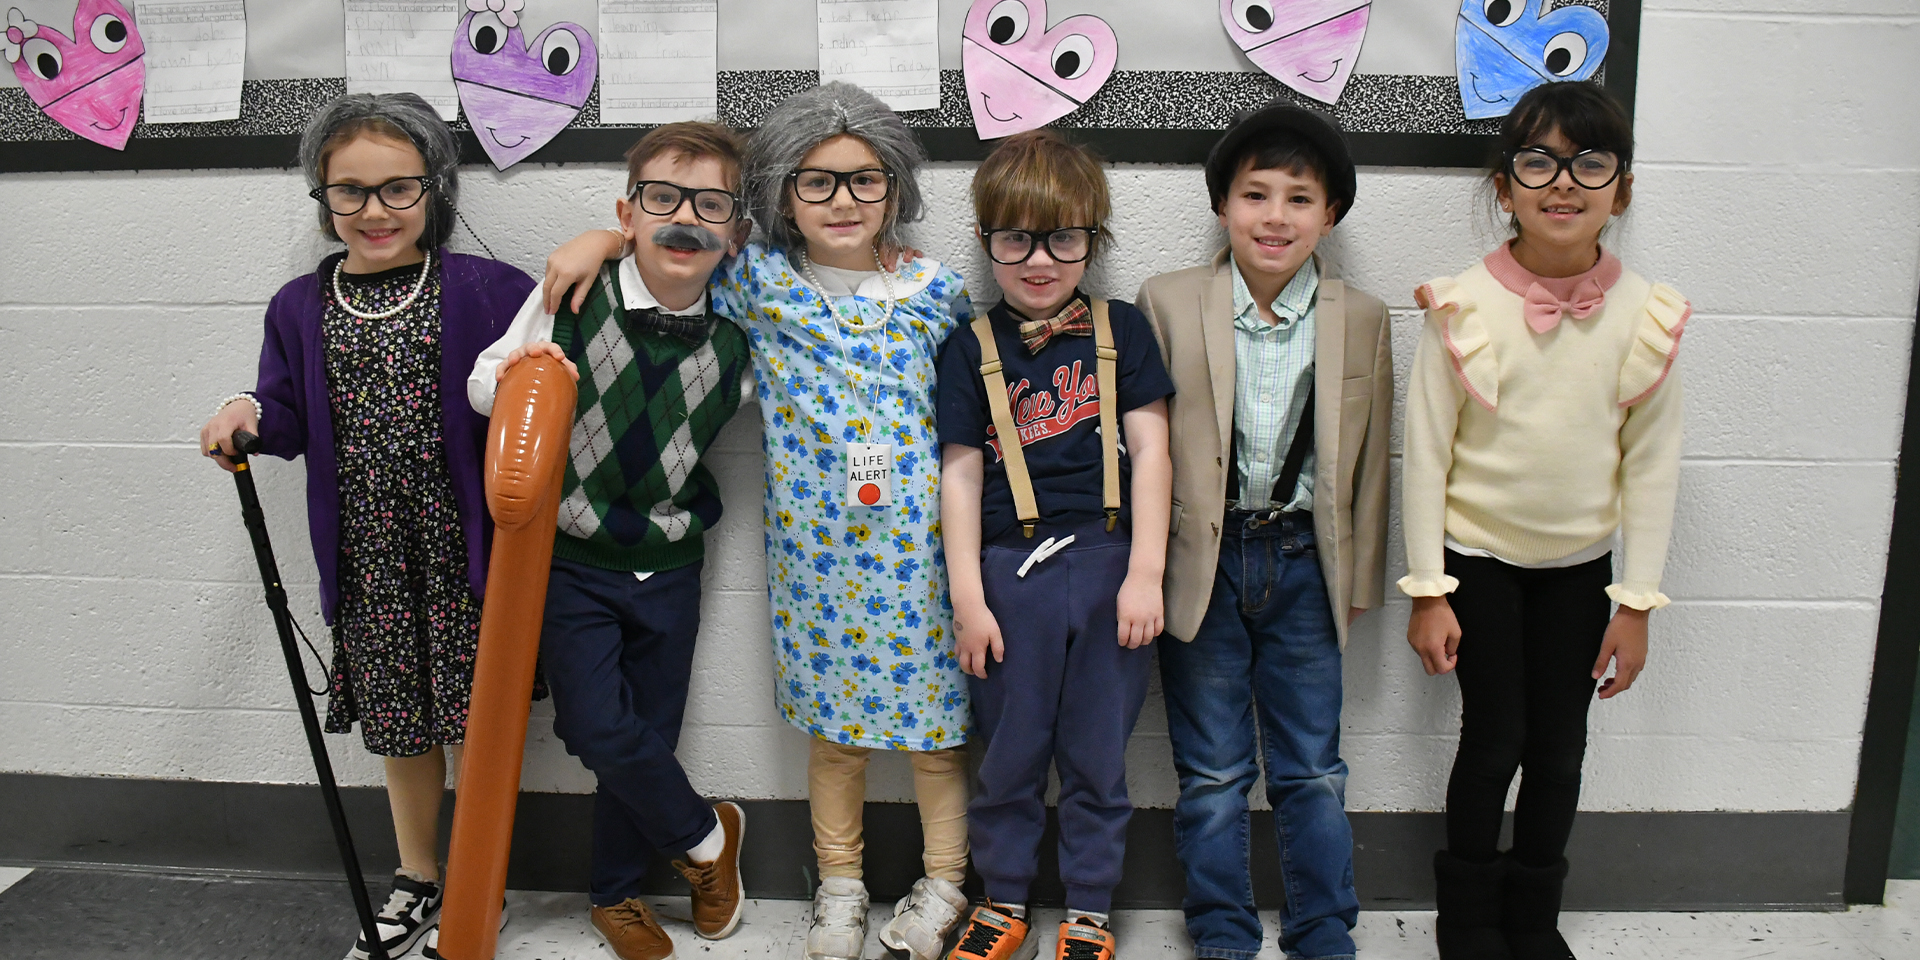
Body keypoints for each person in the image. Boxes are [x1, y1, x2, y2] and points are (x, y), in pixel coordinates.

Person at [197, 93, 534, 960]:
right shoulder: (298, 305)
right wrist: (244, 411)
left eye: (397, 189)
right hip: (368, 553)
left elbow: (542, 399)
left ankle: (477, 877)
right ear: (323, 197)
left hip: (465, 550)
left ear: (436, 189)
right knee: (401, 724)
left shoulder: (490, 290)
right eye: (350, 192)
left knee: (475, 722)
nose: (374, 211)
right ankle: (418, 875)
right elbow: (287, 414)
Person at [1401, 81, 1686, 960]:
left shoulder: (1649, 313)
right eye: (1539, 162)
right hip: (1477, 561)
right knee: (1494, 741)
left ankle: (1532, 920)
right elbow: (1426, 455)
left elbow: (1652, 464)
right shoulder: (1460, 308)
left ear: (1622, 188)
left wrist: (1635, 603)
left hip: (1580, 569)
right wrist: (1428, 591)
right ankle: (1469, 918)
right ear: (1505, 186)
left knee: (1561, 748)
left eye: (1589, 163)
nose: (1564, 183)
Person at [464, 122, 753, 960]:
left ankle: (617, 895)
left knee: (648, 735)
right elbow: (488, 385)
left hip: (671, 562)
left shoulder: (736, 335)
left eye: (709, 205)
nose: (684, 220)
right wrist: (534, 375)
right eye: (662, 199)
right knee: (595, 727)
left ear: (733, 228)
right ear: (626, 214)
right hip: (573, 561)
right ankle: (707, 840)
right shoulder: (576, 296)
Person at [715, 82, 974, 960]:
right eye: (817, 182)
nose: (843, 203)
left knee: (938, 734)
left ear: (895, 188)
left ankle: (945, 881)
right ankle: (840, 886)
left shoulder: (935, 293)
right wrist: (598, 236)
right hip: (816, 558)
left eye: (865, 181)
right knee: (836, 735)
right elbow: (659, 266)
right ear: (782, 192)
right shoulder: (757, 283)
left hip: (926, 553)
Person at [1133, 101, 1393, 960]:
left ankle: (1323, 929)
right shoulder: (1169, 301)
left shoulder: (1362, 316)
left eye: (1299, 199)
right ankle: (1221, 927)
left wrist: (1356, 586)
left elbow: (1369, 467)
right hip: (1200, 563)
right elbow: (1144, 448)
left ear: (1331, 216)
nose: (1275, 216)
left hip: (1305, 562)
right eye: (1255, 195)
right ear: (1222, 205)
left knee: (1313, 767)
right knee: (1211, 772)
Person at [934, 130, 1173, 960]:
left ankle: (1090, 909)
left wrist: (1147, 572)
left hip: (1111, 567)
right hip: (1009, 577)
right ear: (987, 242)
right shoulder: (968, 349)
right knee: (1009, 749)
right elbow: (960, 479)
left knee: (1097, 751)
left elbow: (1153, 455)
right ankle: (1001, 900)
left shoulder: (1123, 332)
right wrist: (968, 598)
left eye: (1063, 239)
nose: (1040, 261)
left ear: (1091, 242)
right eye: (1016, 240)